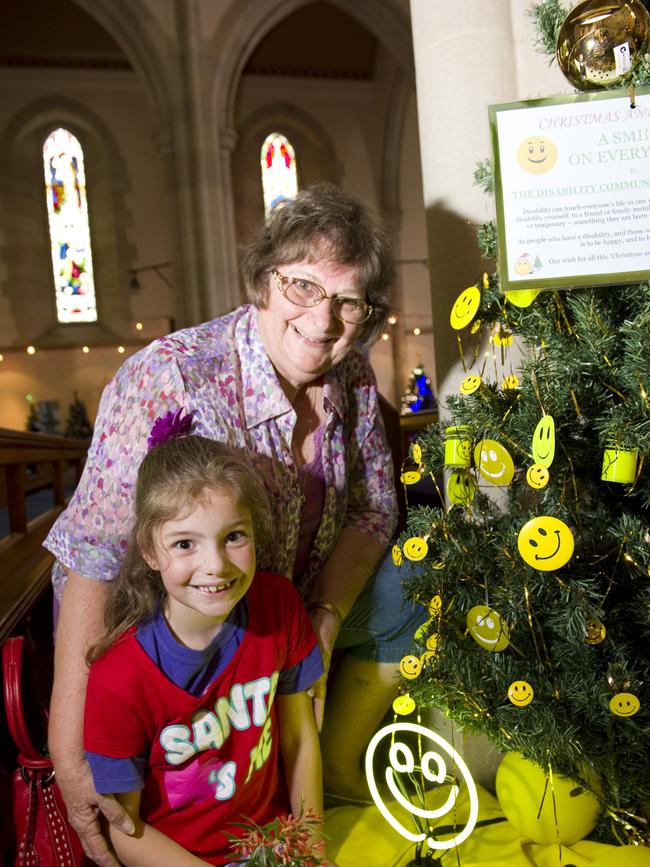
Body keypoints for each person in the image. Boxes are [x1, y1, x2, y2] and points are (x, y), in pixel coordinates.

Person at [45, 181, 425, 867]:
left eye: (348, 300)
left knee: (413, 577)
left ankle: (336, 781)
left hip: (279, 609)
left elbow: (373, 507)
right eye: (303, 286)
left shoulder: (355, 376)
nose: (325, 317)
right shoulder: (173, 375)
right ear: (261, 281)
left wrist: (326, 618)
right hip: (175, 617)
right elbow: (92, 550)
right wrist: (71, 744)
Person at [84, 432, 329, 866]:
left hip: (273, 848)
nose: (215, 564)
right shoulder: (118, 675)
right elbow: (125, 828)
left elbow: (298, 736)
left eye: (234, 536)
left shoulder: (279, 604)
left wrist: (309, 846)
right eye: (184, 544)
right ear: (150, 552)